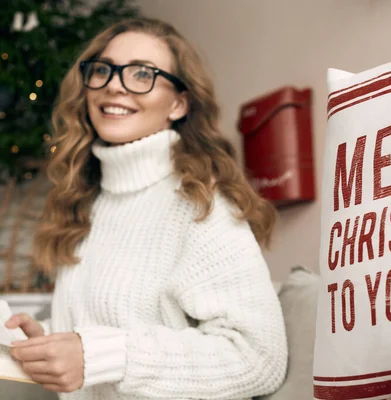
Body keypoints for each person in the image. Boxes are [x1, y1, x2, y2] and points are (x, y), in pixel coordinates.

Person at [4, 17, 288, 399]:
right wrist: (48, 343)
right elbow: (106, 330)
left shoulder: (200, 205)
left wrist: (101, 355)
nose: (114, 85)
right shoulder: (87, 203)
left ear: (178, 103)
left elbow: (258, 359)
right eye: (102, 71)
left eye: (142, 74)